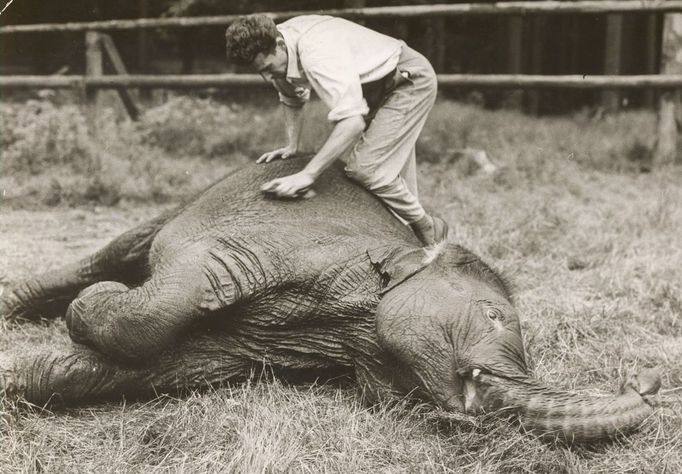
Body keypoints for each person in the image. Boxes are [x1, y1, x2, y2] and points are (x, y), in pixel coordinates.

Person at [225, 14, 448, 248]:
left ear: (279, 44)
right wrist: (292, 145)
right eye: (260, 71)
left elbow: (352, 123)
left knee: (367, 170)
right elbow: (291, 96)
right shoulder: (276, 42)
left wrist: (308, 174)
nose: (267, 77)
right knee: (389, 176)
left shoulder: (318, 53)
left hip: (407, 80)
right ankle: (417, 241)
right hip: (373, 86)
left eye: (268, 68)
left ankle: (429, 227)